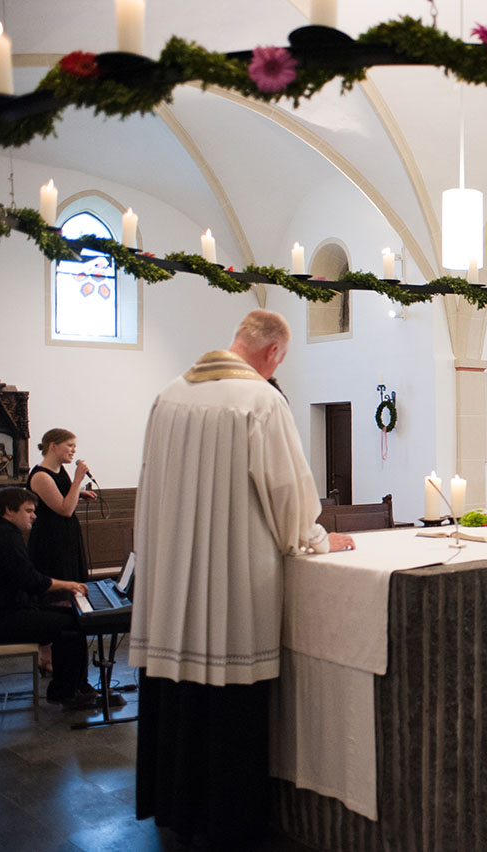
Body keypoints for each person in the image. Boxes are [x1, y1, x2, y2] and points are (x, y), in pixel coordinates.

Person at [131, 310, 355, 849]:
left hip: (170, 583)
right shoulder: (260, 400)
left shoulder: (167, 396)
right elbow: (287, 495)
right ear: (274, 353)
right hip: (232, 580)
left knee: (178, 689)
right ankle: (228, 817)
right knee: (230, 695)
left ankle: (174, 805)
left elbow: (147, 486)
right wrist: (318, 537)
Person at [0, 487, 95, 708]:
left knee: (69, 614)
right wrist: (70, 585)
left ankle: (75, 687)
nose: (34, 516)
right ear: (9, 510)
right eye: (28, 511)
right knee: (72, 623)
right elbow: (30, 581)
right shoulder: (4, 535)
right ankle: (66, 692)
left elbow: (24, 581)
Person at [26, 428, 96, 587]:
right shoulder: (41, 476)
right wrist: (78, 480)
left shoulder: (58, 469)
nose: (74, 450)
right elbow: (65, 510)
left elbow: (62, 493)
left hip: (65, 535)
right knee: (61, 582)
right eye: (70, 445)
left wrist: (79, 493)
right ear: (53, 446)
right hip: (51, 538)